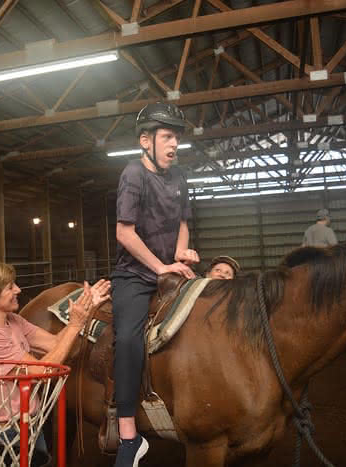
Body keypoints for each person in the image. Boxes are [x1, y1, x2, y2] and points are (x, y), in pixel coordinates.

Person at [112, 102, 199, 467]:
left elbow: (182, 222)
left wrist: (180, 253)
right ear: (145, 140)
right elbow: (124, 233)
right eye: (167, 137)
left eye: (176, 138)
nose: (173, 144)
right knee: (129, 339)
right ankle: (129, 434)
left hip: (169, 269)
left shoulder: (179, 178)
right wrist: (161, 266)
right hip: (135, 275)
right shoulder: (133, 173)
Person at [0, 261, 111, 456]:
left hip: (27, 420)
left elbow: (56, 342)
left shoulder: (13, 321)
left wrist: (87, 310)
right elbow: (43, 371)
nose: (18, 289)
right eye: (9, 287)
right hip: (0, 430)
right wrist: (75, 325)